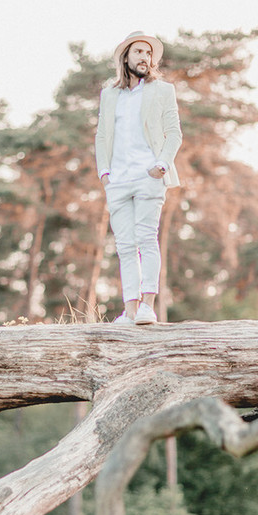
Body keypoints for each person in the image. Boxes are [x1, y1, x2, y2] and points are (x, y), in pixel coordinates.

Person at [95, 31, 182, 324]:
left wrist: (161, 164)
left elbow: (174, 133)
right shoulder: (109, 94)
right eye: (139, 52)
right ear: (126, 57)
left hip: (148, 175)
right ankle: (129, 310)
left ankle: (147, 305)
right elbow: (103, 135)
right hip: (117, 179)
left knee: (146, 239)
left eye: (149, 54)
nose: (146, 58)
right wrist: (104, 173)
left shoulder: (162, 90)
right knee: (124, 246)